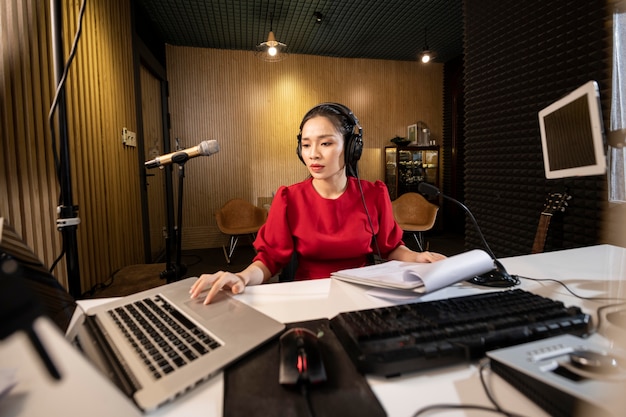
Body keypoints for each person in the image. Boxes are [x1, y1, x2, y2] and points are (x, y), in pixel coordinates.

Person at [190, 103, 446, 304]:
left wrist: (417, 257)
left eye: (326, 143)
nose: (313, 153)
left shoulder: (374, 195)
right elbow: (268, 261)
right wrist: (242, 276)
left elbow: (390, 249)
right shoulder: (288, 199)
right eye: (306, 144)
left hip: (365, 297)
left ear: (351, 148)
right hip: (308, 298)